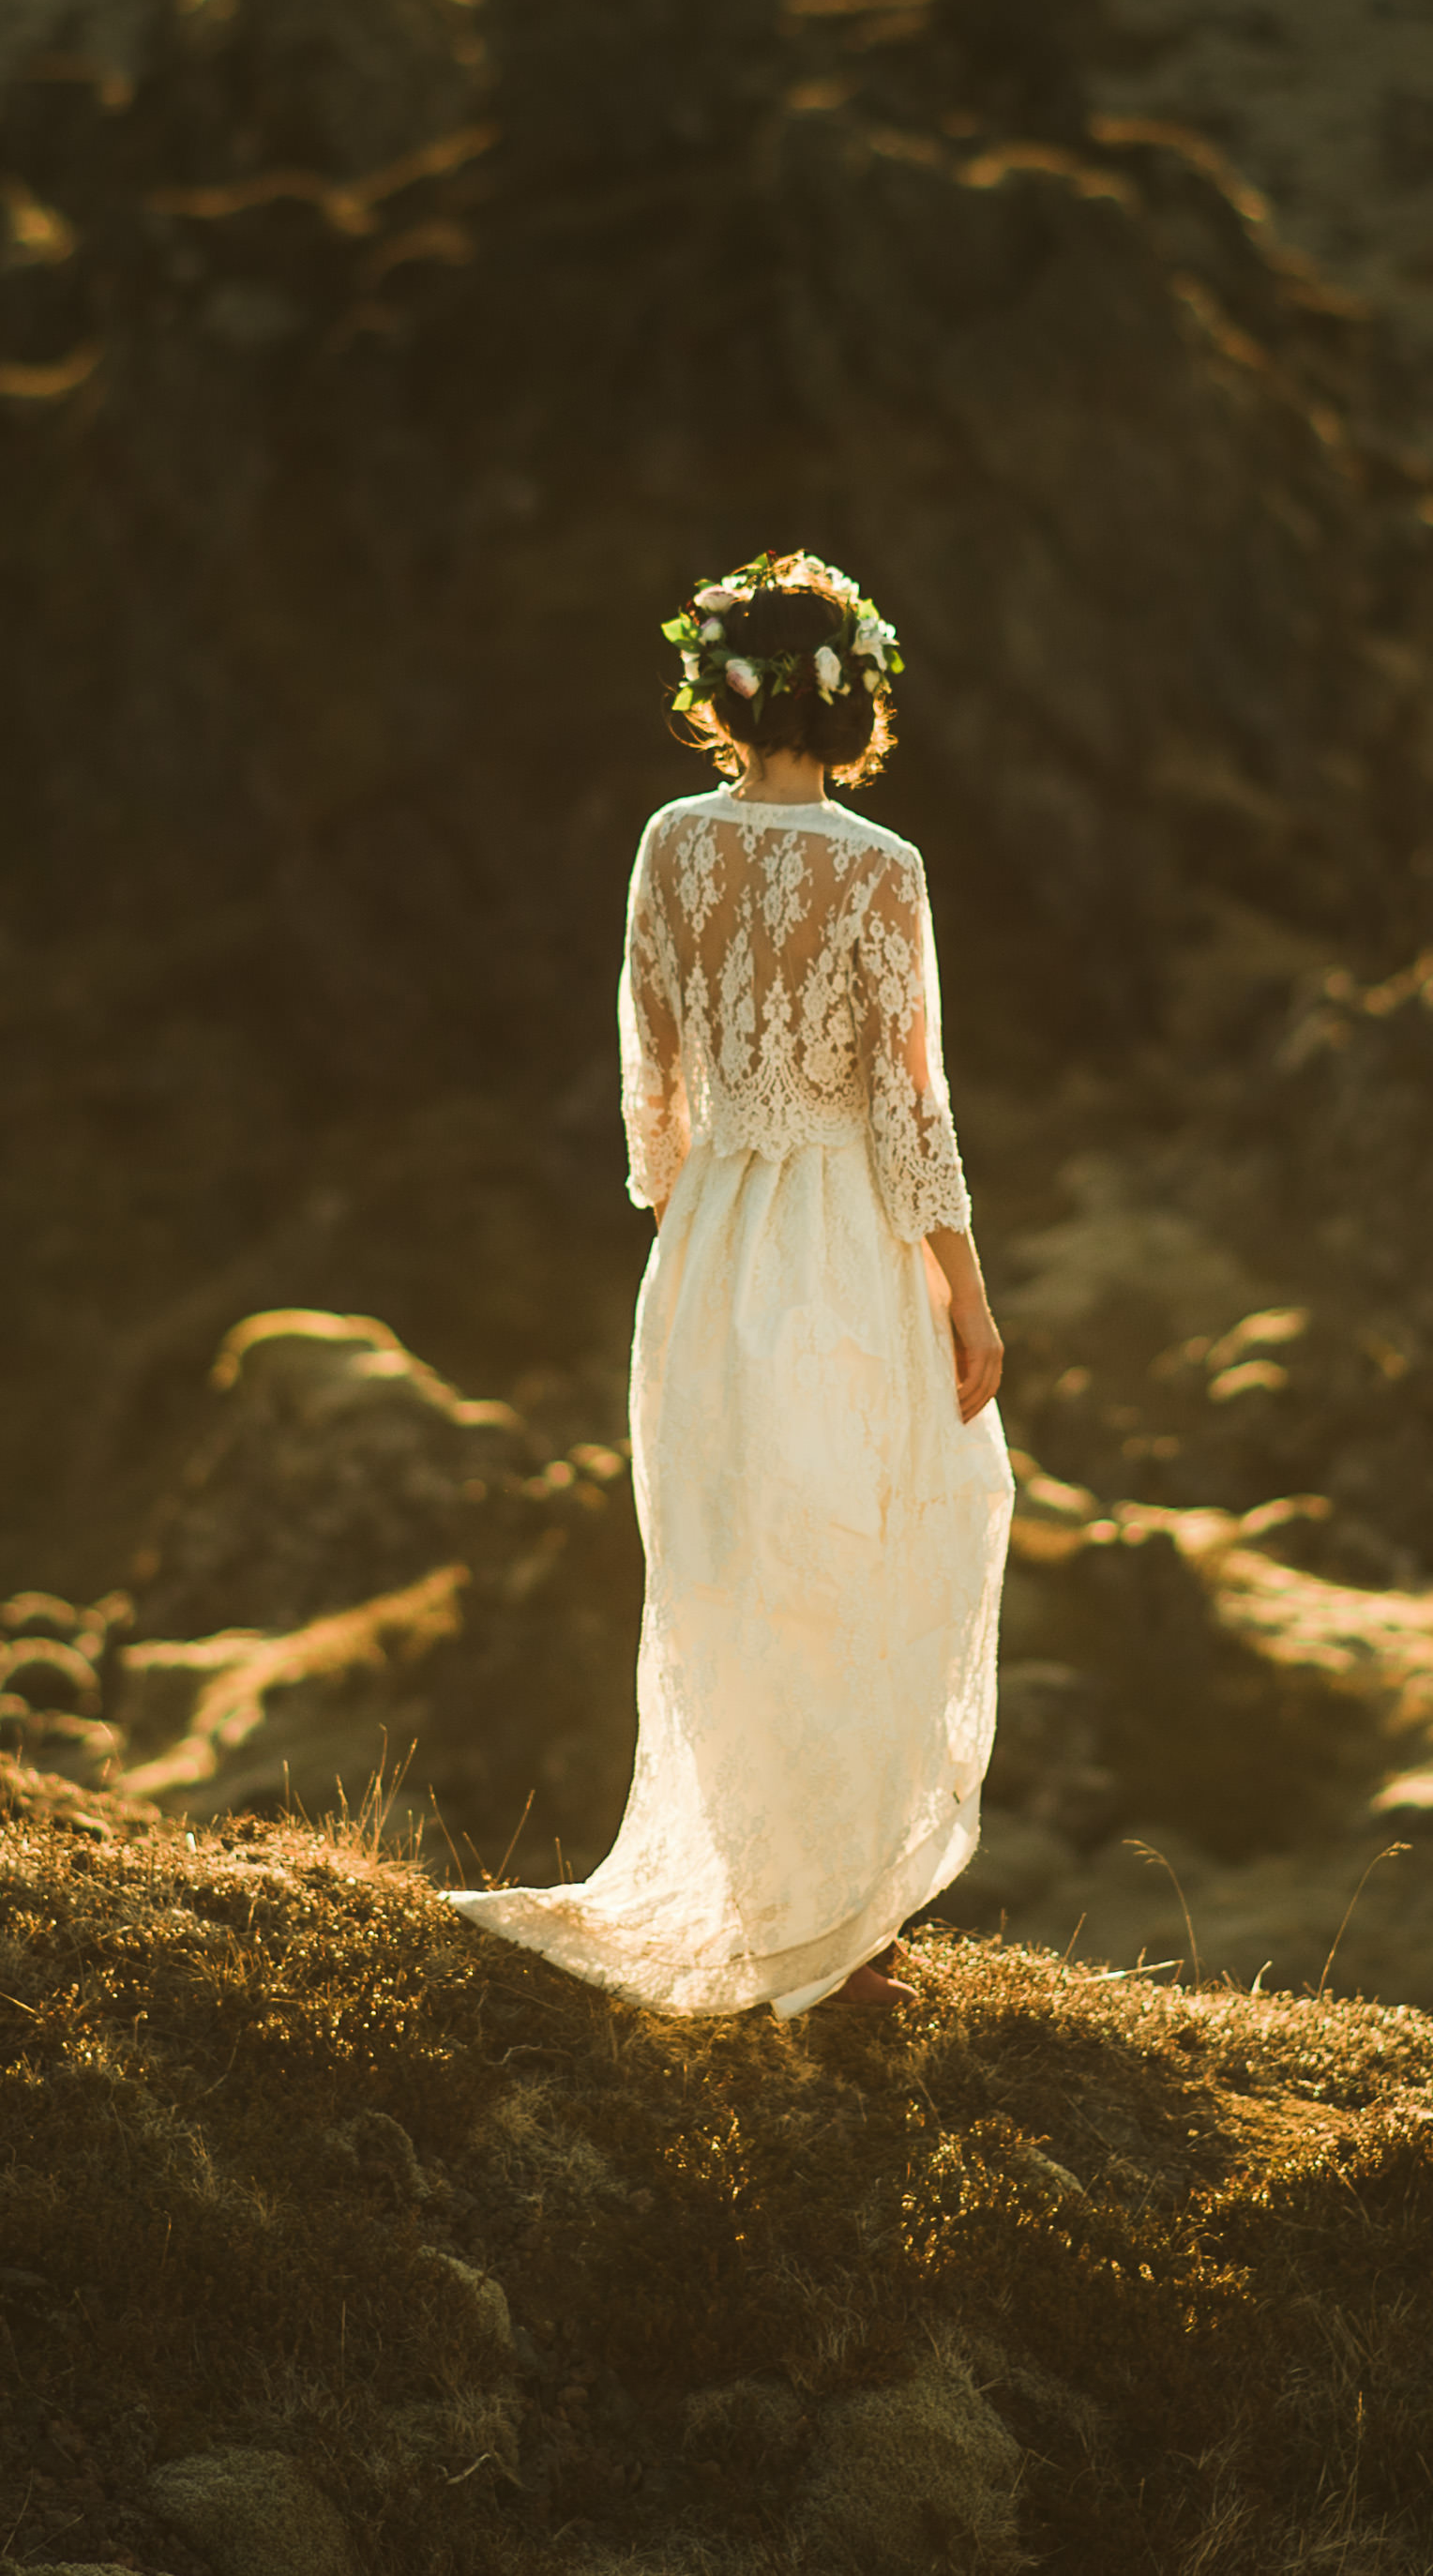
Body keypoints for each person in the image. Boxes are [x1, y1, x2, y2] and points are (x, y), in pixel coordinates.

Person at [445, 552, 1014, 2024]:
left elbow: (652, 1068)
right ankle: (842, 1930)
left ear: (720, 693)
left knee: (733, 1571)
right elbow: (908, 1109)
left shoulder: (668, 843)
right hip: (842, 1239)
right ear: (858, 698)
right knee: (857, 1550)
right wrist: (965, 1290)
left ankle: (795, 1907)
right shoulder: (882, 867)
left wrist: (690, 1204)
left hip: (710, 1241)